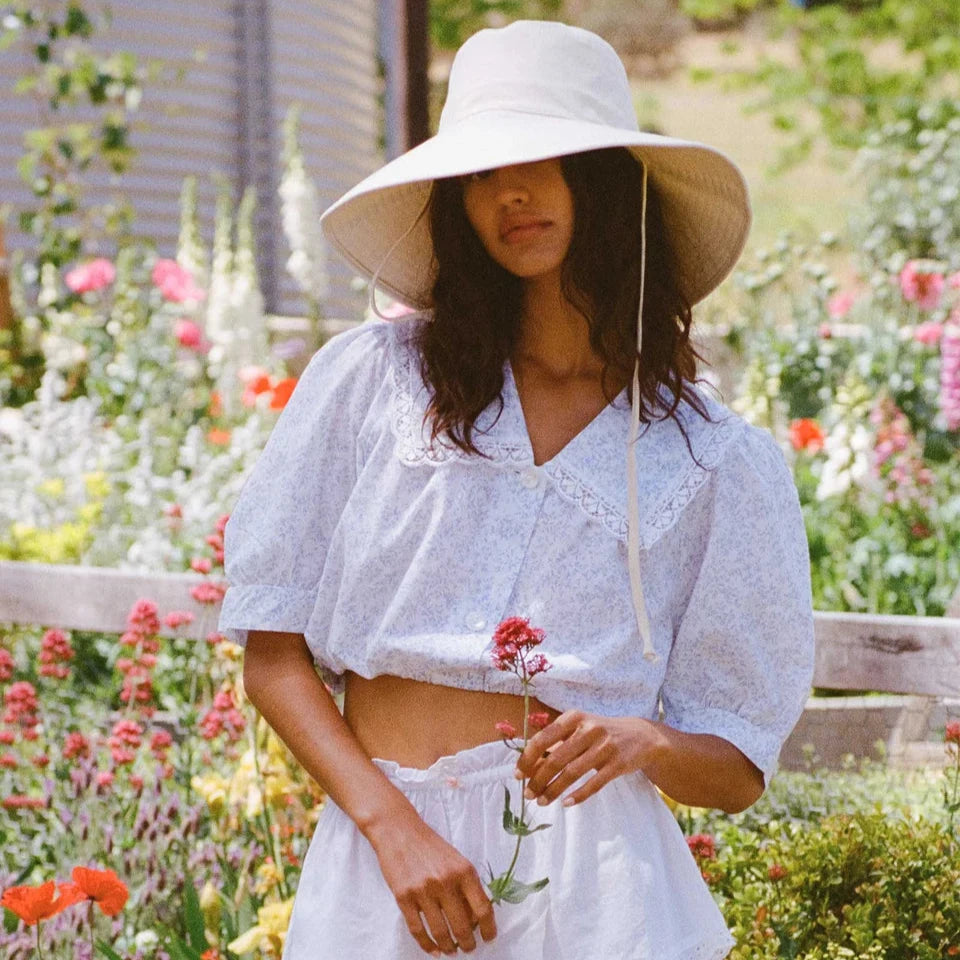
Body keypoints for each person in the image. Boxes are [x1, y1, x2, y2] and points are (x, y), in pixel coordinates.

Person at [218, 19, 815, 960]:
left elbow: (737, 767)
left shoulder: (714, 458)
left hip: (603, 889)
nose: (513, 193)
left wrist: (646, 744)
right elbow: (273, 655)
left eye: (546, 159)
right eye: (483, 171)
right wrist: (392, 829)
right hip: (389, 872)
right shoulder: (373, 382)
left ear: (611, 185)